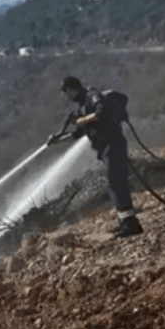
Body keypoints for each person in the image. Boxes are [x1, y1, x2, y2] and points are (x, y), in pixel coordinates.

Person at [47, 75, 143, 238]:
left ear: (70, 89)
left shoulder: (92, 96)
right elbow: (77, 134)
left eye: (65, 93)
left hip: (113, 145)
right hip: (104, 150)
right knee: (113, 183)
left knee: (116, 181)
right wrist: (57, 140)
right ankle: (123, 219)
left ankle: (130, 223)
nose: (65, 97)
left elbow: (101, 111)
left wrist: (83, 120)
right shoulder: (81, 107)